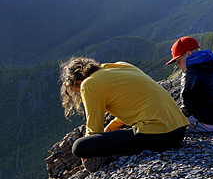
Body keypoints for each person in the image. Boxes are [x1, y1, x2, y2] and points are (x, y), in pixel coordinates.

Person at [60, 57, 189, 172]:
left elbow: (94, 128)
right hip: (179, 129)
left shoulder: (88, 85)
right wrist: (110, 130)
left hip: (160, 135)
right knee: (123, 132)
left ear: (76, 83)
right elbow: (132, 105)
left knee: (79, 146)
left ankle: (114, 153)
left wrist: (92, 148)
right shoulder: (121, 66)